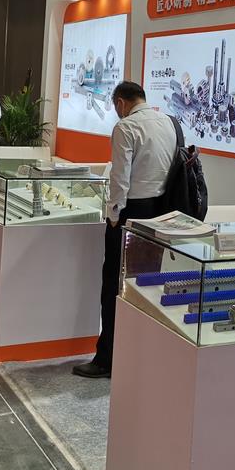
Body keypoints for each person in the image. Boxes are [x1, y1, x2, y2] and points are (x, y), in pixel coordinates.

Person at [72, 81, 177, 379]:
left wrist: (114, 215)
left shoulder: (126, 127)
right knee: (146, 285)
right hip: (161, 213)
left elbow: (120, 177)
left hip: (132, 212)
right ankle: (141, 355)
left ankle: (107, 359)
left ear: (121, 102)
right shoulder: (169, 122)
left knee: (114, 285)